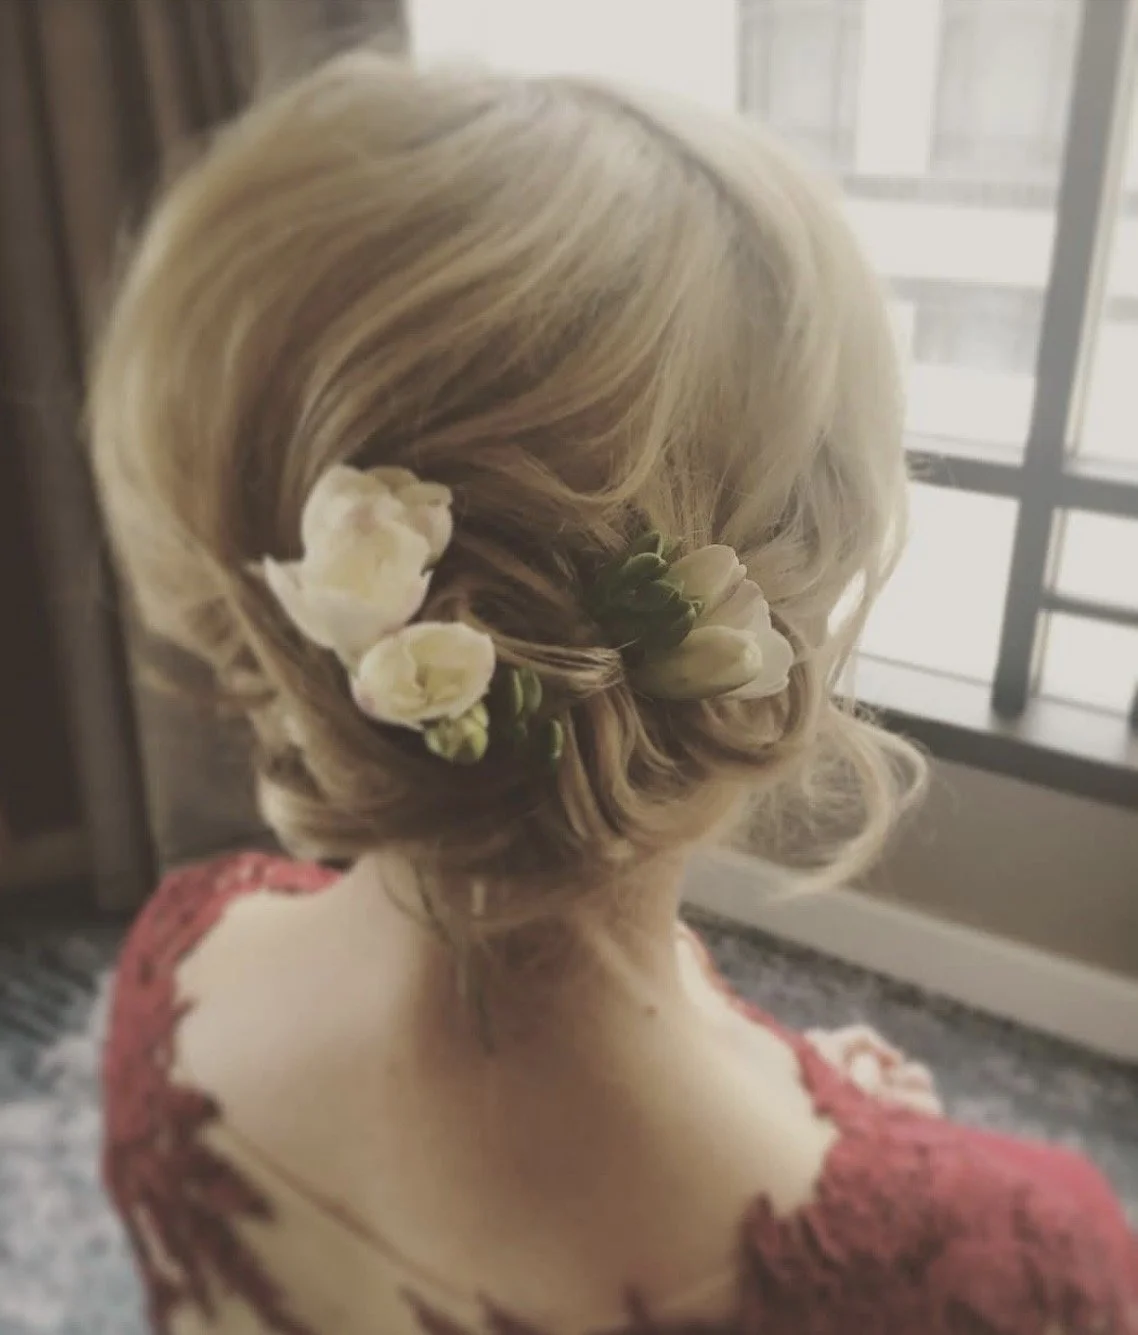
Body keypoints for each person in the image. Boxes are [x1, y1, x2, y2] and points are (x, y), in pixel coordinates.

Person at [92, 51, 1137, 1335]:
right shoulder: (1018, 1273)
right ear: (785, 620)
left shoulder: (177, 978)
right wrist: (921, 1229)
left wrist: (841, 1124)